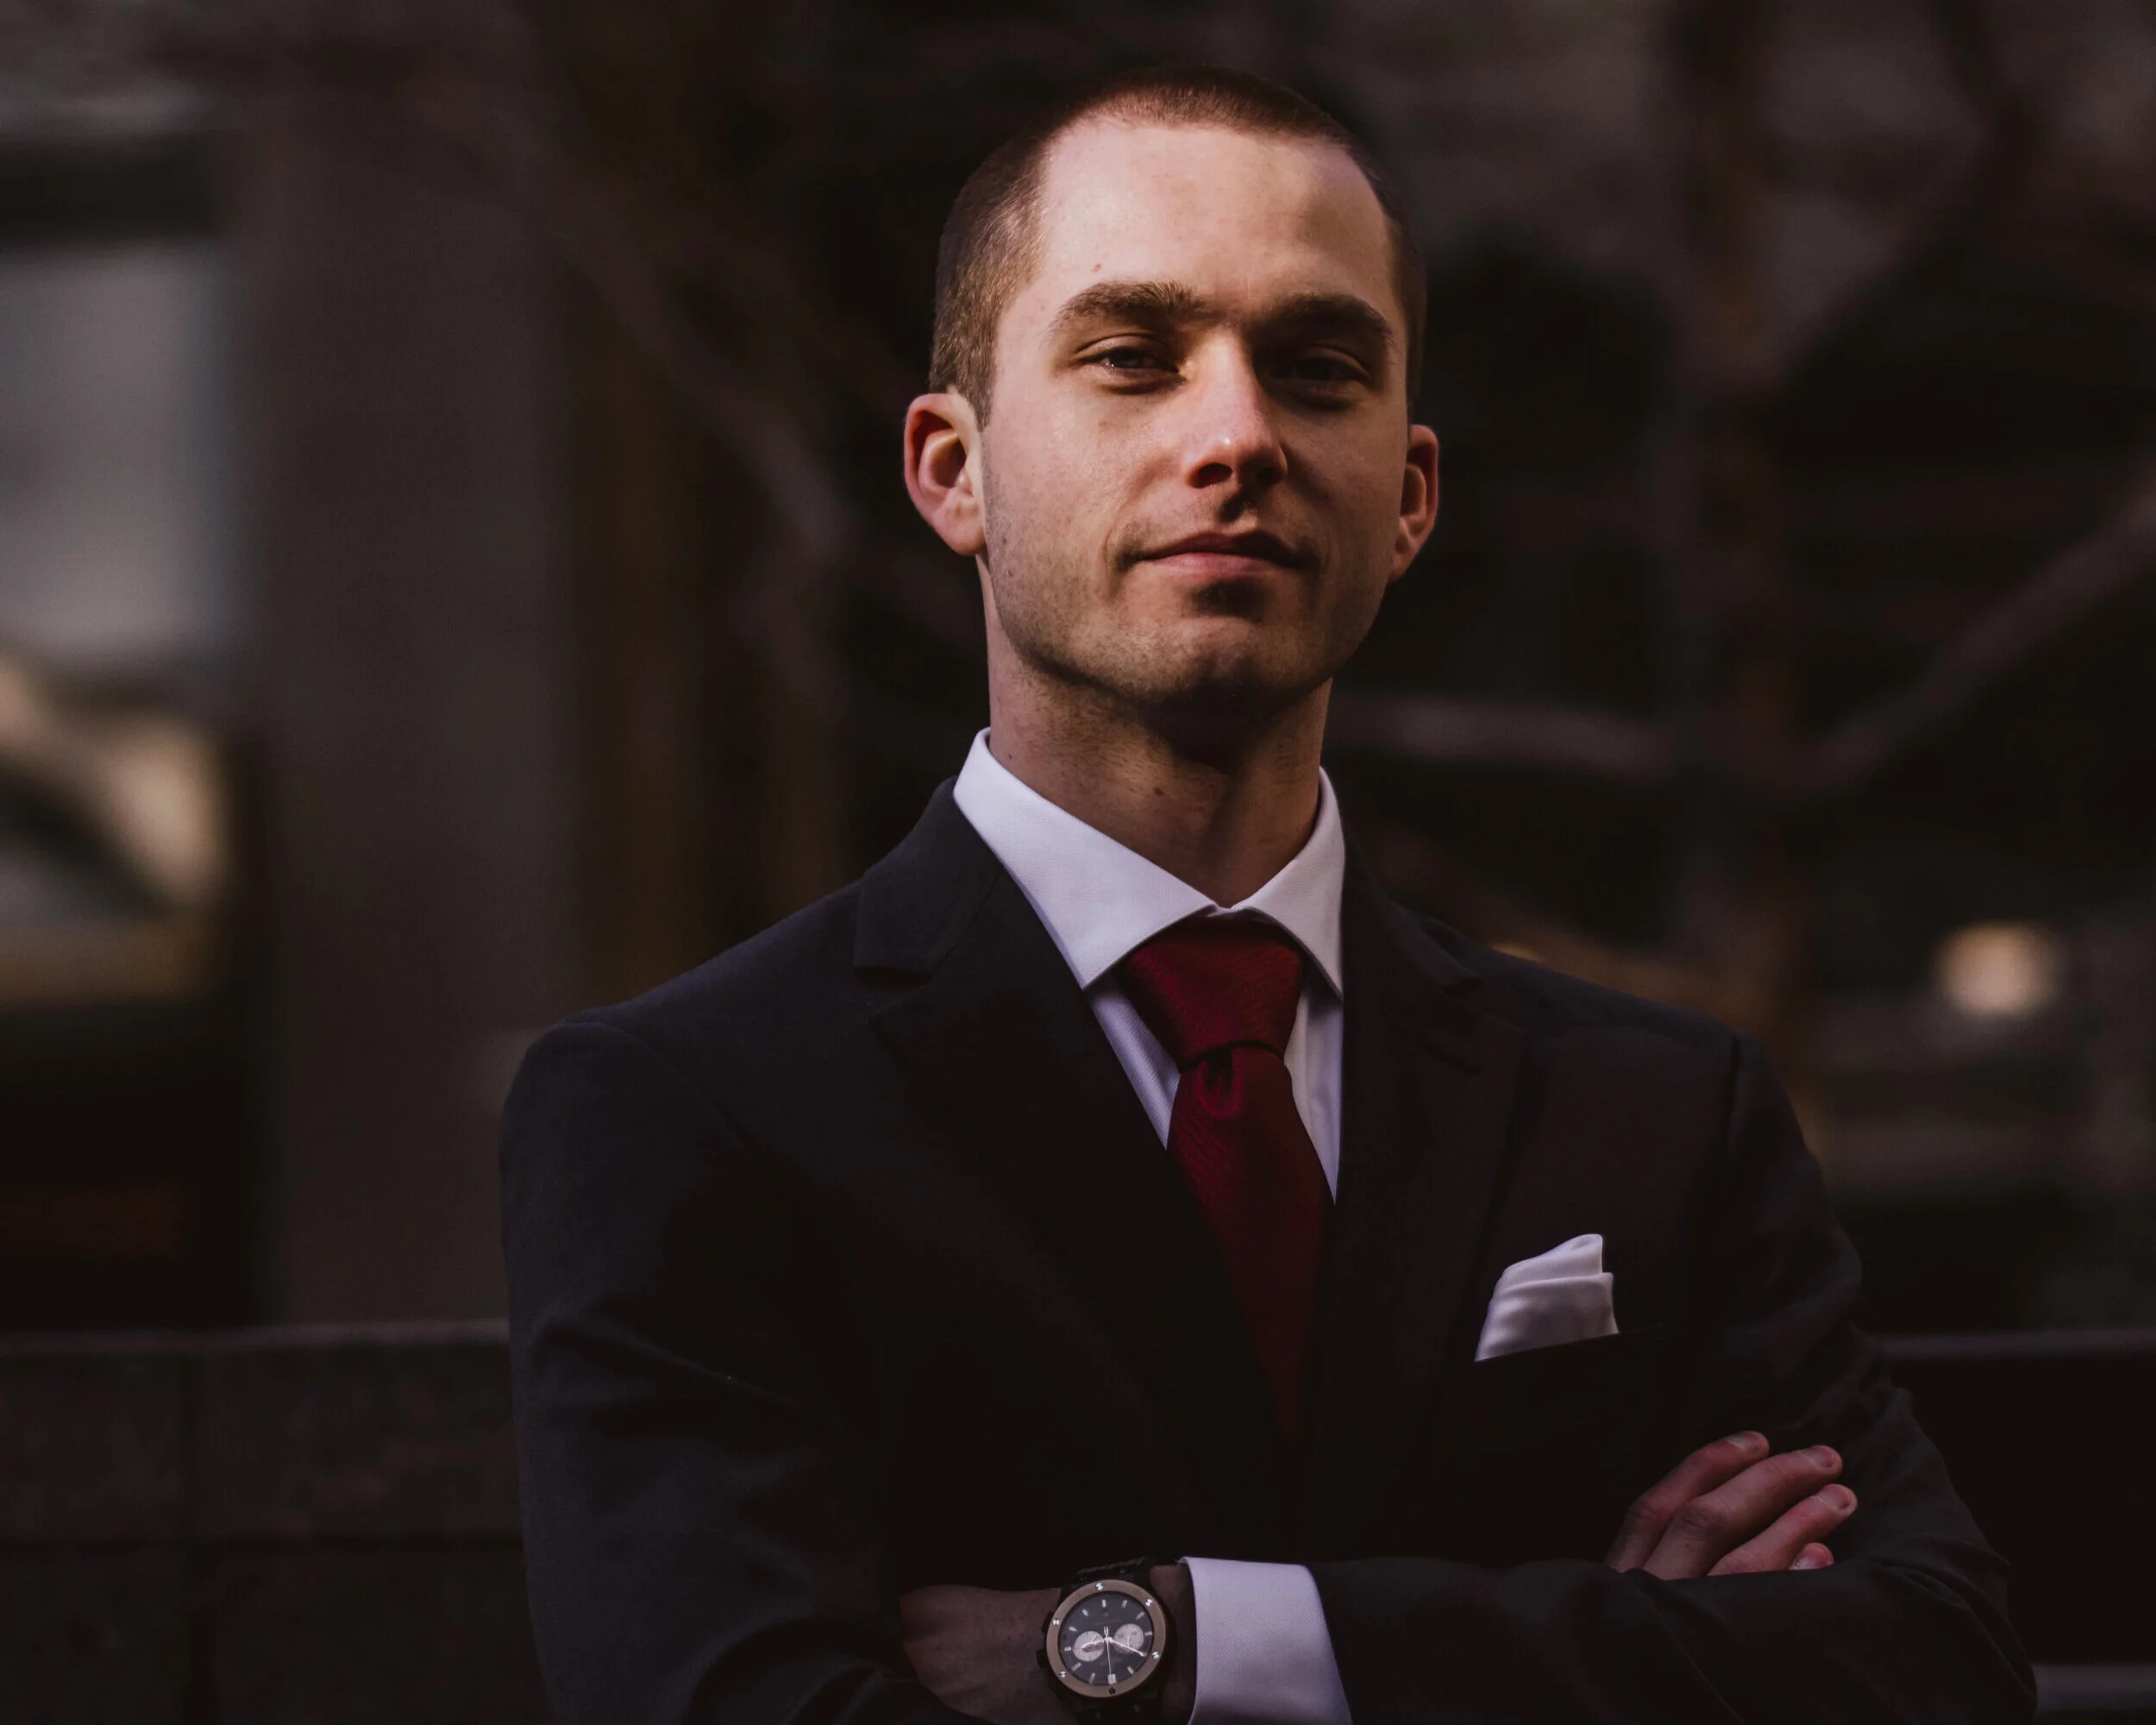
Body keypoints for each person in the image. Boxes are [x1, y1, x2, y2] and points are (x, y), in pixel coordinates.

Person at [501, 64, 2033, 1725]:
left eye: (1315, 369)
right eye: (1129, 358)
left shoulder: (1663, 1112)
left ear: (1412, 500)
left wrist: (1180, 1648)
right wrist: (1603, 1650)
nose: (1235, 437)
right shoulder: (687, 1112)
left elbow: (1933, 1667)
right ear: (953, 472)